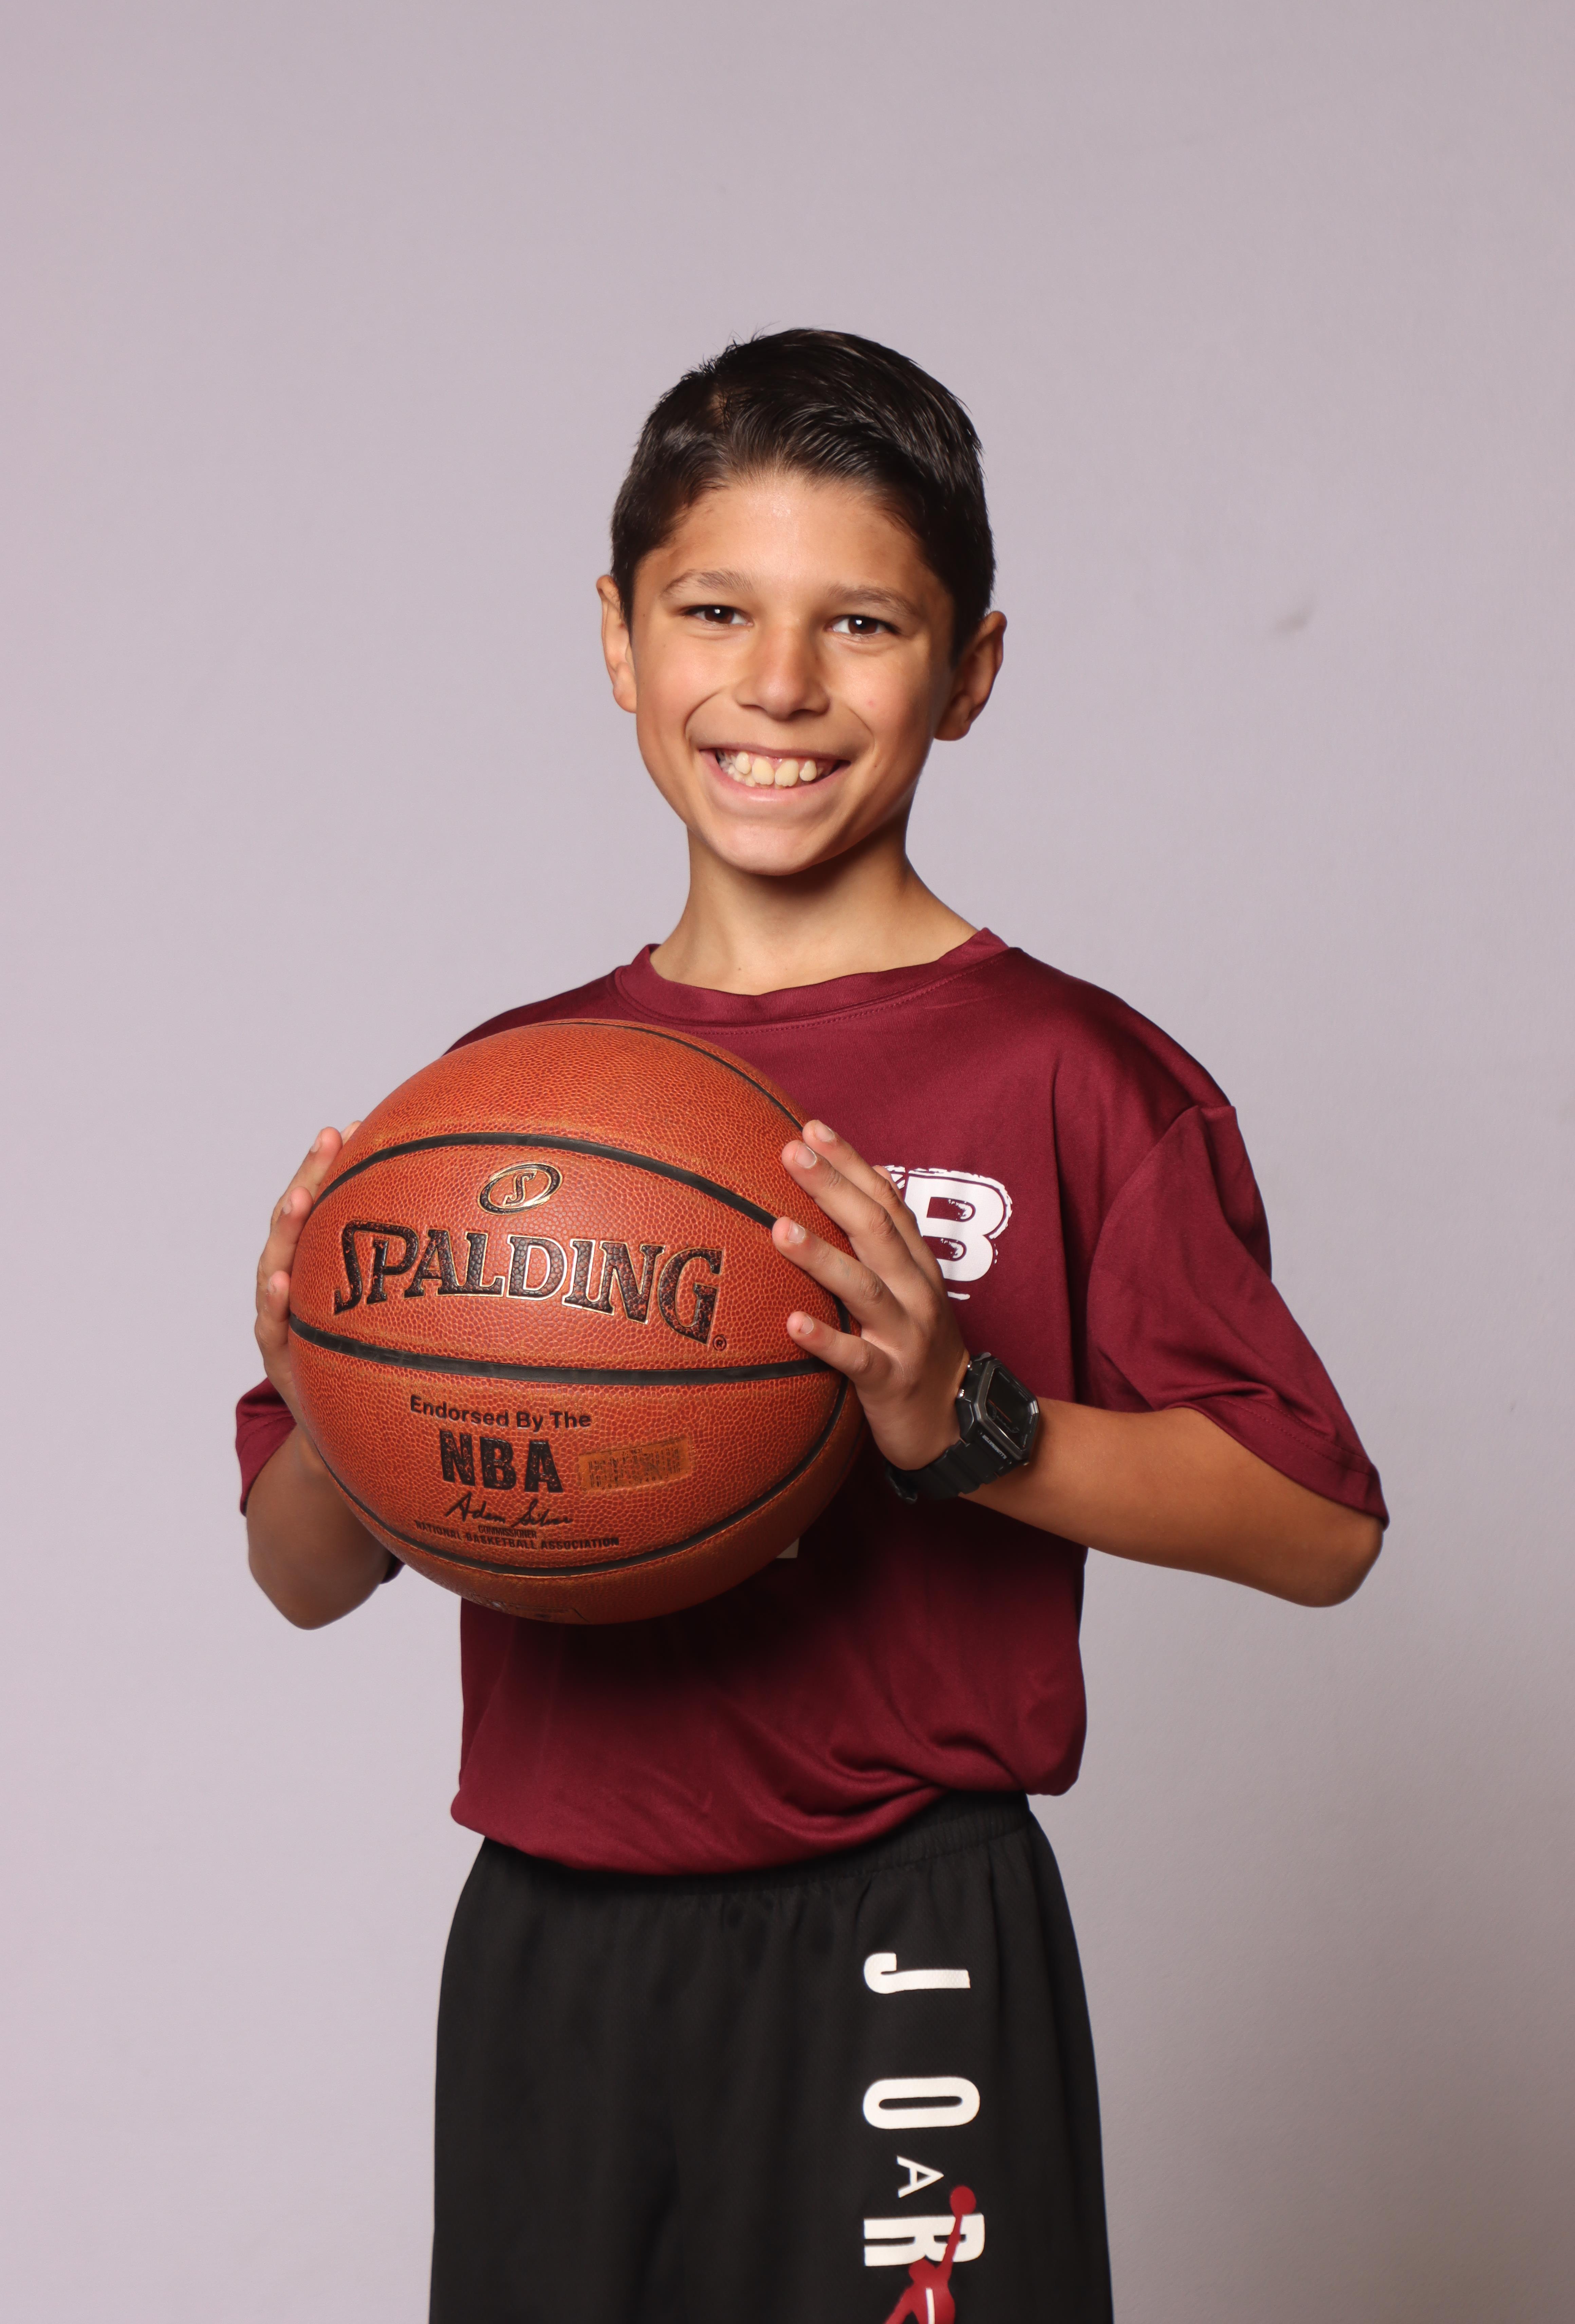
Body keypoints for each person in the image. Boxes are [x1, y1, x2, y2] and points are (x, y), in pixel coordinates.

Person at [238, 330, 1386, 2322]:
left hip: (903, 1923)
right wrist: (341, 1396)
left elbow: (1319, 1526)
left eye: (861, 623)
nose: (778, 684)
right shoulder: (506, 1104)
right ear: (618, 640)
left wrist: (970, 1423)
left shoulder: (1071, 1075)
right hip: (554, 1945)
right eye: (714, 612)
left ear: (971, 670)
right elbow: (300, 1576)